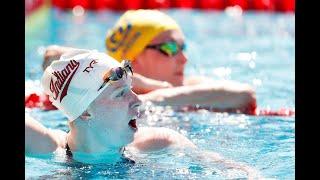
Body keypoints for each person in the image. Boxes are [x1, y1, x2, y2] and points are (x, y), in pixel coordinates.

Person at [26, 49, 262, 178]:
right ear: (85, 112)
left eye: (131, 89)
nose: (137, 101)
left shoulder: (161, 142)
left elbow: (240, 173)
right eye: (120, 94)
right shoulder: (49, 148)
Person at [42, 9, 257, 114]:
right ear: (133, 58)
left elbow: (245, 95)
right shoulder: (94, 95)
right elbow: (52, 55)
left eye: (183, 48)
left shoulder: (189, 86)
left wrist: (154, 94)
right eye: (170, 48)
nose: (184, 58)